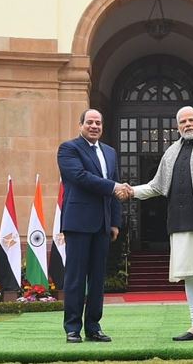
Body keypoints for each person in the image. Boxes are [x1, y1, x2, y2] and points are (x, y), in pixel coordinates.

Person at [117, 105, 193, 342]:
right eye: (183, 122)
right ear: (177, 126)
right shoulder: (171, 153)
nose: (188, 124)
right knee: (190, 274)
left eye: (192, 120)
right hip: (180, 222)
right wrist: (131, 192)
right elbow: (156, 186)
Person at [56, 108, 120, 344]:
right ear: (80, 125)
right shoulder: (68, 149)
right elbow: (80, 177)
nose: (94, 126)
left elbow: (113, 187)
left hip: (102, 224)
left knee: (97, 278)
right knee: (75, 278)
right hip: (78, 223)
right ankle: (72, 328)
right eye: (90, 122)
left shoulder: (110, 152)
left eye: (98, 123)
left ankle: (93, 327)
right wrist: (113, 187)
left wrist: (114, 221)